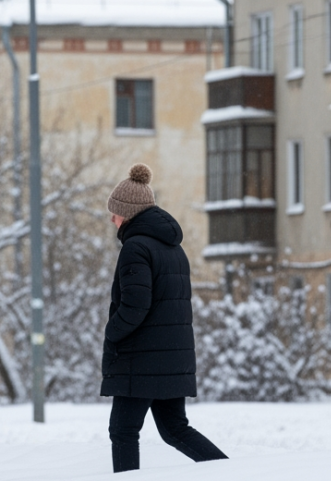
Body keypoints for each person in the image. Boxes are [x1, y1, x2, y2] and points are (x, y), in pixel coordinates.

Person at [100, 162, 228, 473]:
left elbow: (135, 304)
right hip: (170, 357)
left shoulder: (135, 248)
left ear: (128, 212)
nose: (113, 219)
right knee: (175, 429)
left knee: (123, 430)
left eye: (115, 212)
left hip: (141, 359)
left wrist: (112, 332)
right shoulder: (173, 248)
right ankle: (227, 473)